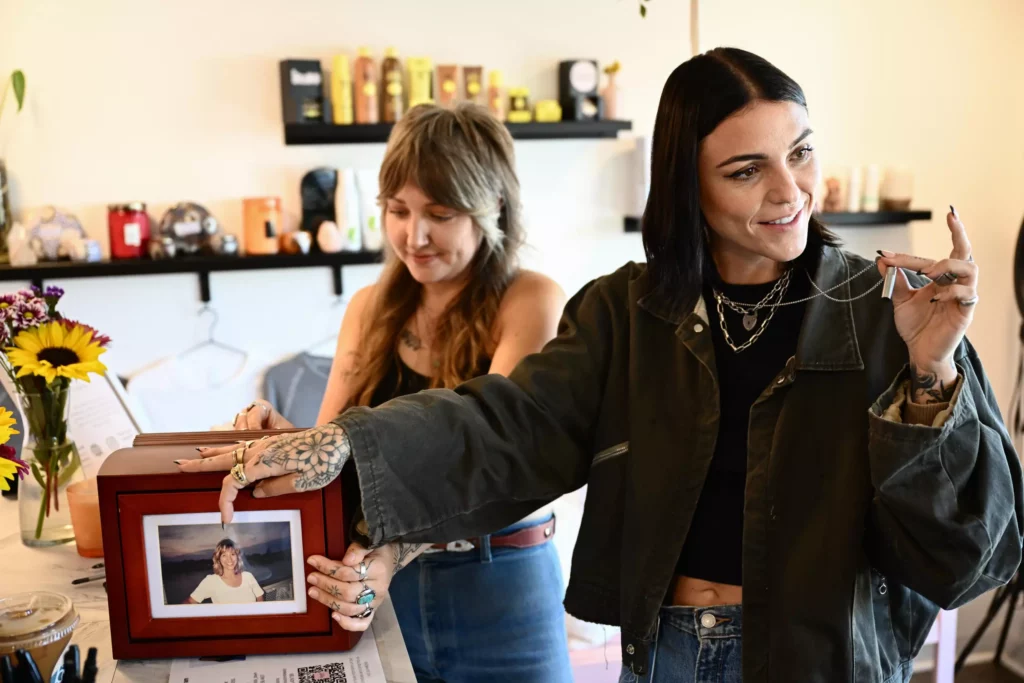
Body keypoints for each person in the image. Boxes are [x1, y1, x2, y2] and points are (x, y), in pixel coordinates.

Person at [192, 48, 1023, 683]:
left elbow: (970, 557)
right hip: (665, 654)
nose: (791, 190)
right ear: (687, 187)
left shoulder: (888, 312)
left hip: (821, 660)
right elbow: (510, 425)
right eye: (747, 169)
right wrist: (348, 440)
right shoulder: (627, 313)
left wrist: (931, 373)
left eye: (800, 153)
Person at [183, 103, 572, 682]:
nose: (414, 236)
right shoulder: (370, 308)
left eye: (439, 213)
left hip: (497, 588)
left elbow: (493, 458)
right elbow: (336, 451)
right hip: (383, 586)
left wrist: (386, 550)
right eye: (397, 210)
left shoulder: (530, 300)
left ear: (492, 205)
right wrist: (286, 438)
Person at [185, 539, 265, 604]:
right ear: (218, 559)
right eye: (224, 555)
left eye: (232, 554)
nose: (229, 559)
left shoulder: (248, 576)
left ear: (237, 557)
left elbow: (260, 597)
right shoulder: (211, 581)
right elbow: (190, 602)